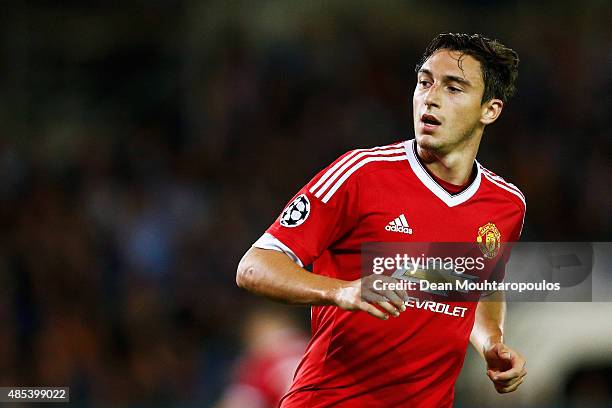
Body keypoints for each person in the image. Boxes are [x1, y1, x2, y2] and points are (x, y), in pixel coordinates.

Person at [237, 33, 527, 407]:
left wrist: (491, 342)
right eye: (424, 82)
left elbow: (481, 282)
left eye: (454, 88)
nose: (431, 98)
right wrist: (340, 290)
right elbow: (254, 266)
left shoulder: (506, 204)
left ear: (490, 110)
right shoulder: (362, 173)